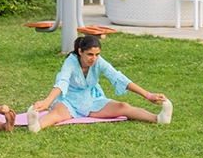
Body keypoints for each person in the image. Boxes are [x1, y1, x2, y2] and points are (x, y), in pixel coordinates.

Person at [25, 35, 173, 132]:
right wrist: (47, 102)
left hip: (92, 99)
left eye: (97, 55)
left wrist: (148, 95)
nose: (94, 59)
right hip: (69, 100)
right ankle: (36, 126)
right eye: (90, 54)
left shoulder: (98, 61)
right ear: (80, 51)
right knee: (56, 114)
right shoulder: (70, 62)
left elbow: (117, 77)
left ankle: (157, 118)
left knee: (123, 106)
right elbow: (62, 81)